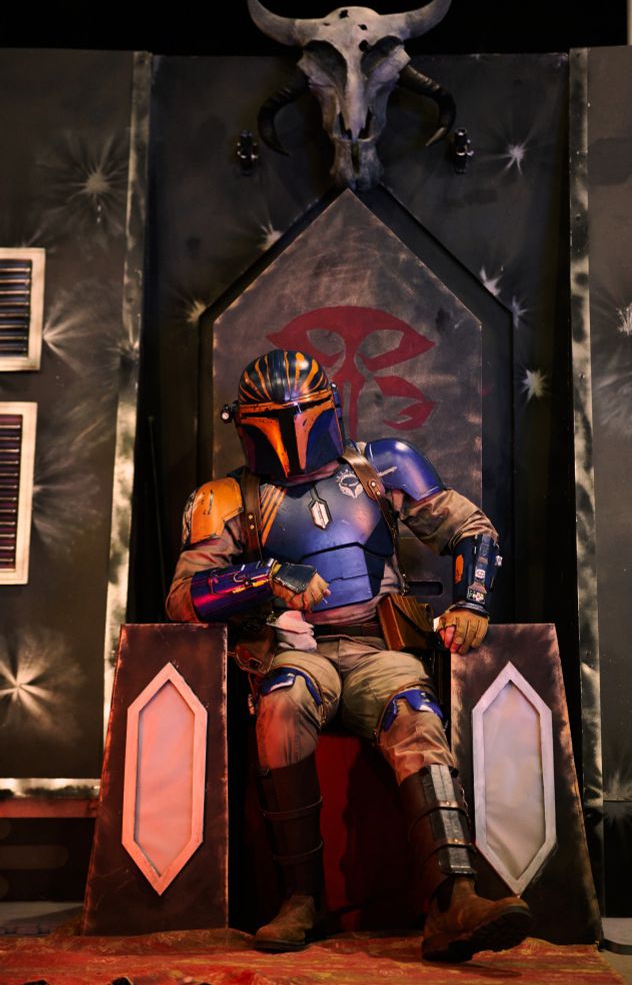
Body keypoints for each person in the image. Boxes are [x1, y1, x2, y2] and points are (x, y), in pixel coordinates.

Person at [167, 348, 531, 963]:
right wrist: (266, 577)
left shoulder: (381, 466)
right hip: (297, 649)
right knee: (281, 706)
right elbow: (184, 597)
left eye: (301, 416)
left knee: (417, 716)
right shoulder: (226, 499)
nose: (292, 434)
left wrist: (472, 602)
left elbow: (473, 530)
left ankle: (454, 901)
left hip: (378, 648)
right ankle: (300, 899)